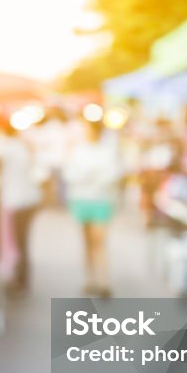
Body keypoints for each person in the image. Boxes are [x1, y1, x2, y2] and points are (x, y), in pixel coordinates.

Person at [63, 118, 120, 297]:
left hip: (100, 200)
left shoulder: (108, 151)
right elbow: (70, 173)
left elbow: (112, 173)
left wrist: (91, 176)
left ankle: (103, 280)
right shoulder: (78, 149)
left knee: (99, 240)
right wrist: (89, 175)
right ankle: (90, 278)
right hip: (81, 199)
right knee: (87, 241)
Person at [0, 117, 43, 292]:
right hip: (27, 199)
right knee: (21, 241)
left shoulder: (7, 148)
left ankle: (20, 279)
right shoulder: (23, 146)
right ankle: (22, 277)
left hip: (17, 201)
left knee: (17, 242)